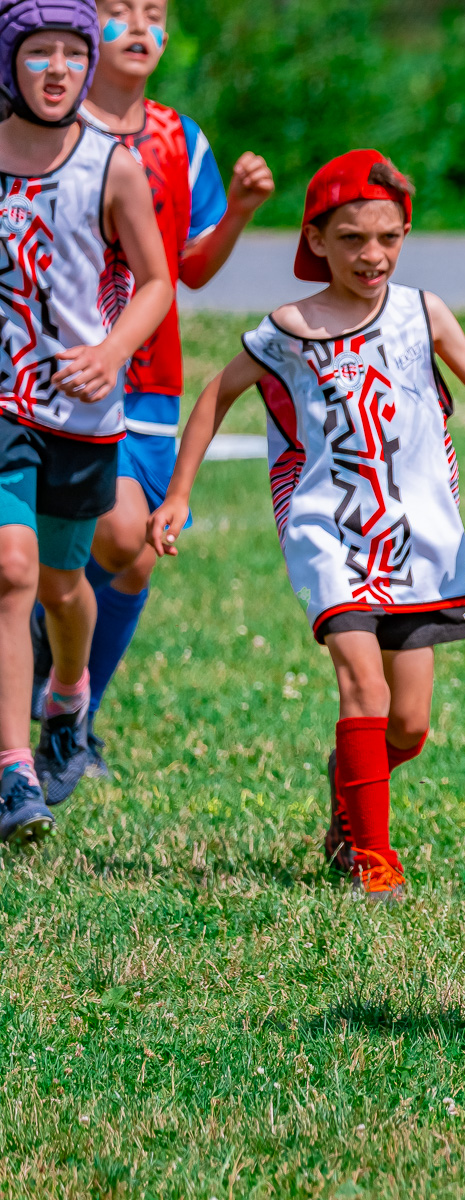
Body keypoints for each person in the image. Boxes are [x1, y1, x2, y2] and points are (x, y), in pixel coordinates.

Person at [145, 151, 465, 900]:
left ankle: (349, 799)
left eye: (388, 236)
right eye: (351, 238)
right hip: (328, 534)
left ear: (405, 234)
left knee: (408, 725)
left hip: (420, 538)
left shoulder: (424, 313)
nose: (371, 254)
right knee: (362, 686)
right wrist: (177, 493)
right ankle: (375, 861)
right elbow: (215, 399)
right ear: (317, 239)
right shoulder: (286, 330)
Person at [26, 0, 274, 778]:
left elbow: (188, 269)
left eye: (154, 14)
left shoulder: (179, 139)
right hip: (57, 374)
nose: (139, 27)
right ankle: (52, 664)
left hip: (149, 380)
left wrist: (236, 212)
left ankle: (73, 713)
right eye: (118, 12)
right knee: (111, 536)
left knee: (133, 556)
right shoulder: (46, 127)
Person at [0, 0, 172, 842]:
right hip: (3, 404)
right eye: (40, 54)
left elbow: (156, 282)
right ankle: (12, 771)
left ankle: (68, 698)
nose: (60, 67)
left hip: (80, 409)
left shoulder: (113, 166)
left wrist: (111, 353)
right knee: (10, 566)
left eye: (73, 51)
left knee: (66, 588)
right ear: (11, 65)